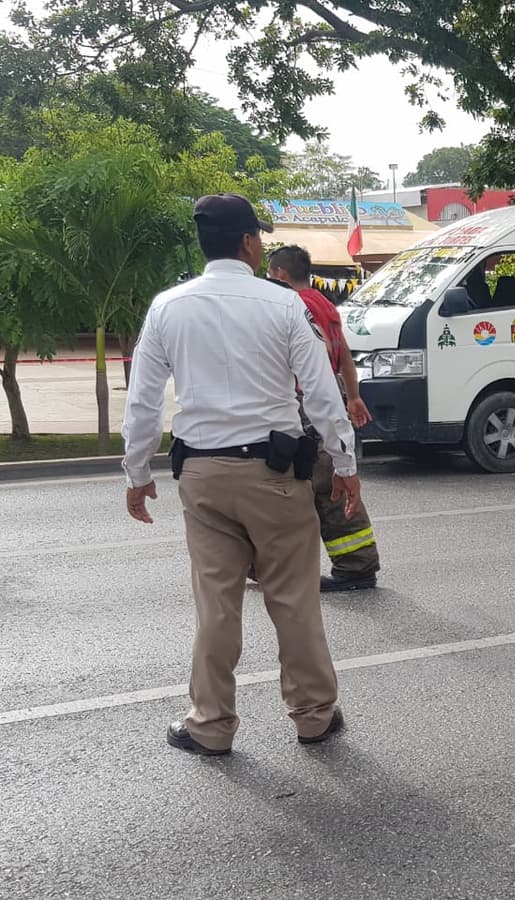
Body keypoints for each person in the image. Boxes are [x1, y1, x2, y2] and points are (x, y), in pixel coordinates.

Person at [122, 193, 359, 755]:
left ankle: (209, 725)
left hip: (201, 475)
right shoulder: (283, 305)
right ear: (250, 243)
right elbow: (323, 393)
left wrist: (137, 473)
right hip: (275, 477)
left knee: (216, 602)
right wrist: (345, 464)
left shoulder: (168, 306)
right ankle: (314, 717)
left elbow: (144, 401)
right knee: (293, 599)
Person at [266, 245, 381, 592]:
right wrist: (353, 396)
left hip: (307, 401)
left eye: (270, 275)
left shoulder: (291, 306)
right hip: (327, 396)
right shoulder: (323, 304)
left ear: (280, 275)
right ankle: (353, 563)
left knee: (320, 482)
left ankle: (356, 566)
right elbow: (343, 352)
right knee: (322, 478)